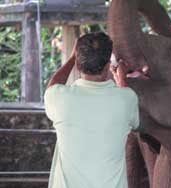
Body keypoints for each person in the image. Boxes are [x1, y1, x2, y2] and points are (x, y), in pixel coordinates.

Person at [44, 32, 139, 188]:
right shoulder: (127, 99)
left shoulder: (58, 98)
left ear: (78, 64)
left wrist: (72, 59)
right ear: (108, 66)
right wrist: (121, 79)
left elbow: (53, 86)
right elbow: (128, 109)